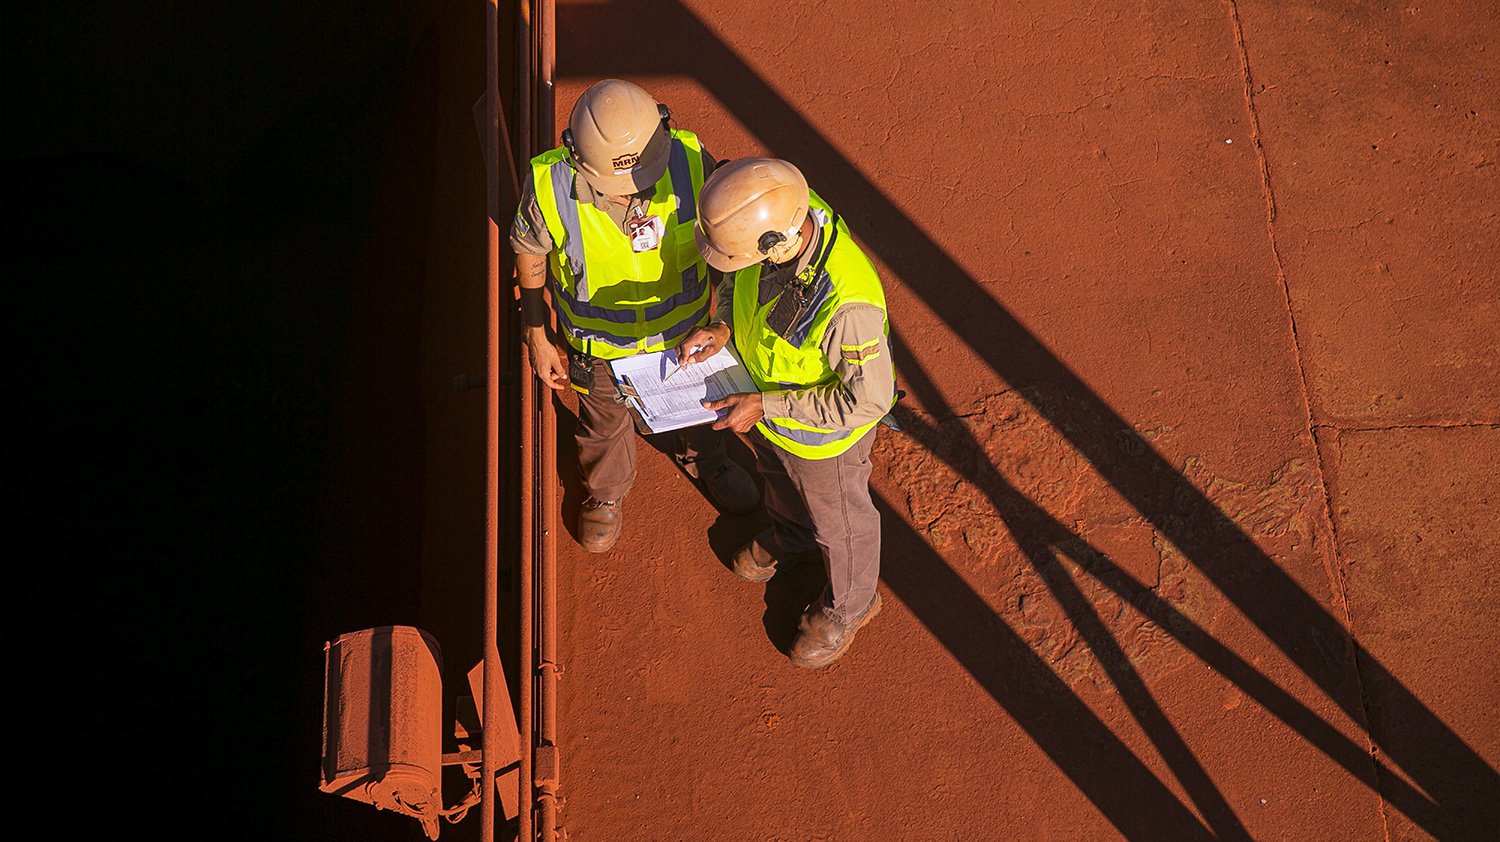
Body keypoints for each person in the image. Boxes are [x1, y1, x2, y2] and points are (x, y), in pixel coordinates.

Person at [511, 79, 759, 552]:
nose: (635, 191)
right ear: (576, 158)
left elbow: (728, 236)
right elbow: (529, 253)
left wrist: (723, 321)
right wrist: (537, 334)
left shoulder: (689, 159)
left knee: (701, 410)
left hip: (685, 338)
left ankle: (709, 461)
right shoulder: (549, 187)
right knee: (603, 426)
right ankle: (605, 495)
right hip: (598, 353)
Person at [678, 158, 895, 668]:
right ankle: (794, 539)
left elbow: (868, 399)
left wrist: (766, 404)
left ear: (779, 244)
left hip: (823, 441)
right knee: (776, 480)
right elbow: (738, 284)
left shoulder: (849, 305)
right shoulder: (772, 214)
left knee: (842, 525)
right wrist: (723, 328)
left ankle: (853, 603)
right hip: (766, 416)